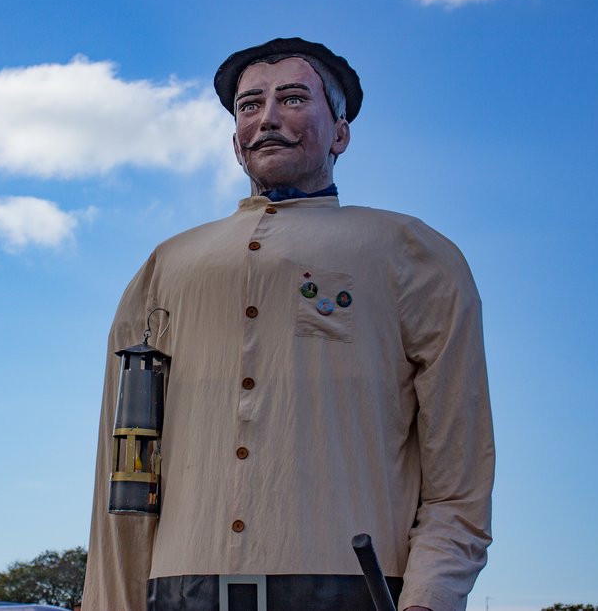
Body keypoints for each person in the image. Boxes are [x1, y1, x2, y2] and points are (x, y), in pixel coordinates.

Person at [83, 38, 494, 611]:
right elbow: (125, 466)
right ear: (234, 141)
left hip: (357, 592)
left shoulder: (409, 252)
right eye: (249, 106)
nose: (268, 117)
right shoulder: (165, 267)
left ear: (341, 132)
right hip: (179, 593)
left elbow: (460, 472)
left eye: (293, 98)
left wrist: (429, 597)